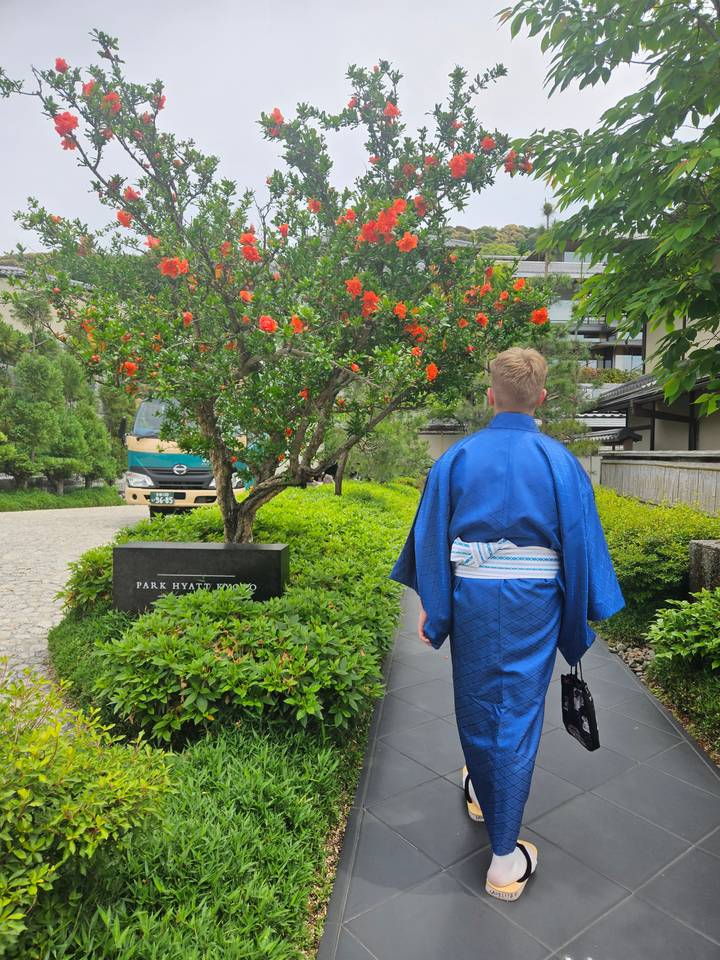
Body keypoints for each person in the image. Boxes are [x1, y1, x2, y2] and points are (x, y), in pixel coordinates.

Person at [389, 347, 624, 901]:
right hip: (534, 604)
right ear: (542, 397)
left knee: (475, 701)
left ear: (489, 395)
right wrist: (581, 611)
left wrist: (436, 605)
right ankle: (501, 857)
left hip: (472, 597)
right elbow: (581, 544)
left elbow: (433, 537)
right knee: (515, 711)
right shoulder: (559, 461)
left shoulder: (457, 458)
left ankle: (492, 822)